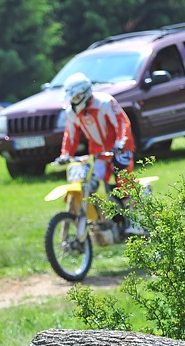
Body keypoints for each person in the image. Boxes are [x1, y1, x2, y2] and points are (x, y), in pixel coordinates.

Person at [55, 72, 143, 235]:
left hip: (120, 148)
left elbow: (121, 123)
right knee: (92, 184)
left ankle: (135, 222)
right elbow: (70, 135)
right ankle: (105, 220)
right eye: (71, 99)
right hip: (98, 153)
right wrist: (65, 154)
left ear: (85, 94)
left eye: (76, 98)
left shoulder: (105, 102)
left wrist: (121, 142)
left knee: (123, 179)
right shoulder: (71, 112)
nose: (73, 103)